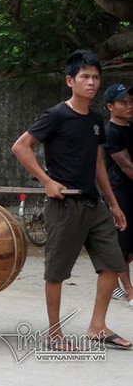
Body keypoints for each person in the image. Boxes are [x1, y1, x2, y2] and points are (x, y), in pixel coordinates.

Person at [12, 50, 131, 350]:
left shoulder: (94, 119)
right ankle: (54, 334)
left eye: (95, 77)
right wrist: (48, 181)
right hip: (65, 205)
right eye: (85, 77)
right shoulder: (56, 115)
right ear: (70, 81)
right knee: (57, 271)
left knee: (112, 263)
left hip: (95, 204)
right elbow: (21, 147)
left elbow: (98, 163)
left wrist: (113, 203)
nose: (91, 82)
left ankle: (97, 326)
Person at [102, 84, 133, 306]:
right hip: (120, 193)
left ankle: (113, 284)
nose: (130, 106)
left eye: (131, 102)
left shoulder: (131, 128)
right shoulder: (110, 133)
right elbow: (127, 167)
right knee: (122, 244)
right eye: (124, 102)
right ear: (110, 107)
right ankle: (129, 291)